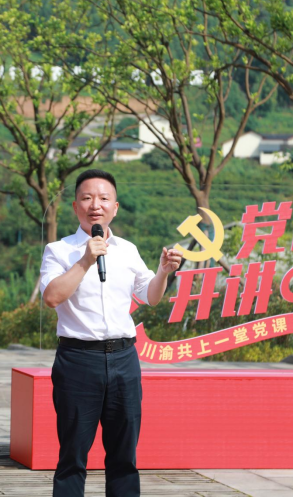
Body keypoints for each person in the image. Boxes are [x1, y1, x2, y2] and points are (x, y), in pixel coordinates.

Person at [40, 169, 182, 498]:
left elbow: (150, 296)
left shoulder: (128, 250)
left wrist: (164, 272)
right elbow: (52, 297)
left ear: (115, 208)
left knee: (123, 457)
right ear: (75, 206)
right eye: (87, 198)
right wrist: (86, 260)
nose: (96, 205)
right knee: (73, 456)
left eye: (104, 198)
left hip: (124, 359)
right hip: (78, 361)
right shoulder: (59, 250)